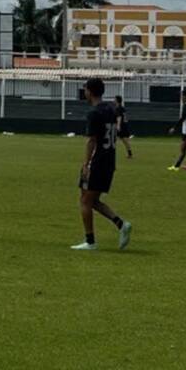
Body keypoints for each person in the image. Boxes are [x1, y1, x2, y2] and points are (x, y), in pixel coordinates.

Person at [71, 78, 132, 251]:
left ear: (90, 91)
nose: (84, 92)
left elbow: (91, 140)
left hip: (96, 162)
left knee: (85, 201)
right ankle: (121, 225)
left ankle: (90, 242)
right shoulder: (111, 109)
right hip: (109, 161)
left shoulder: (94, 113)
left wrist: (86, 164)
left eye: (85, 89)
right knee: (93, 200)